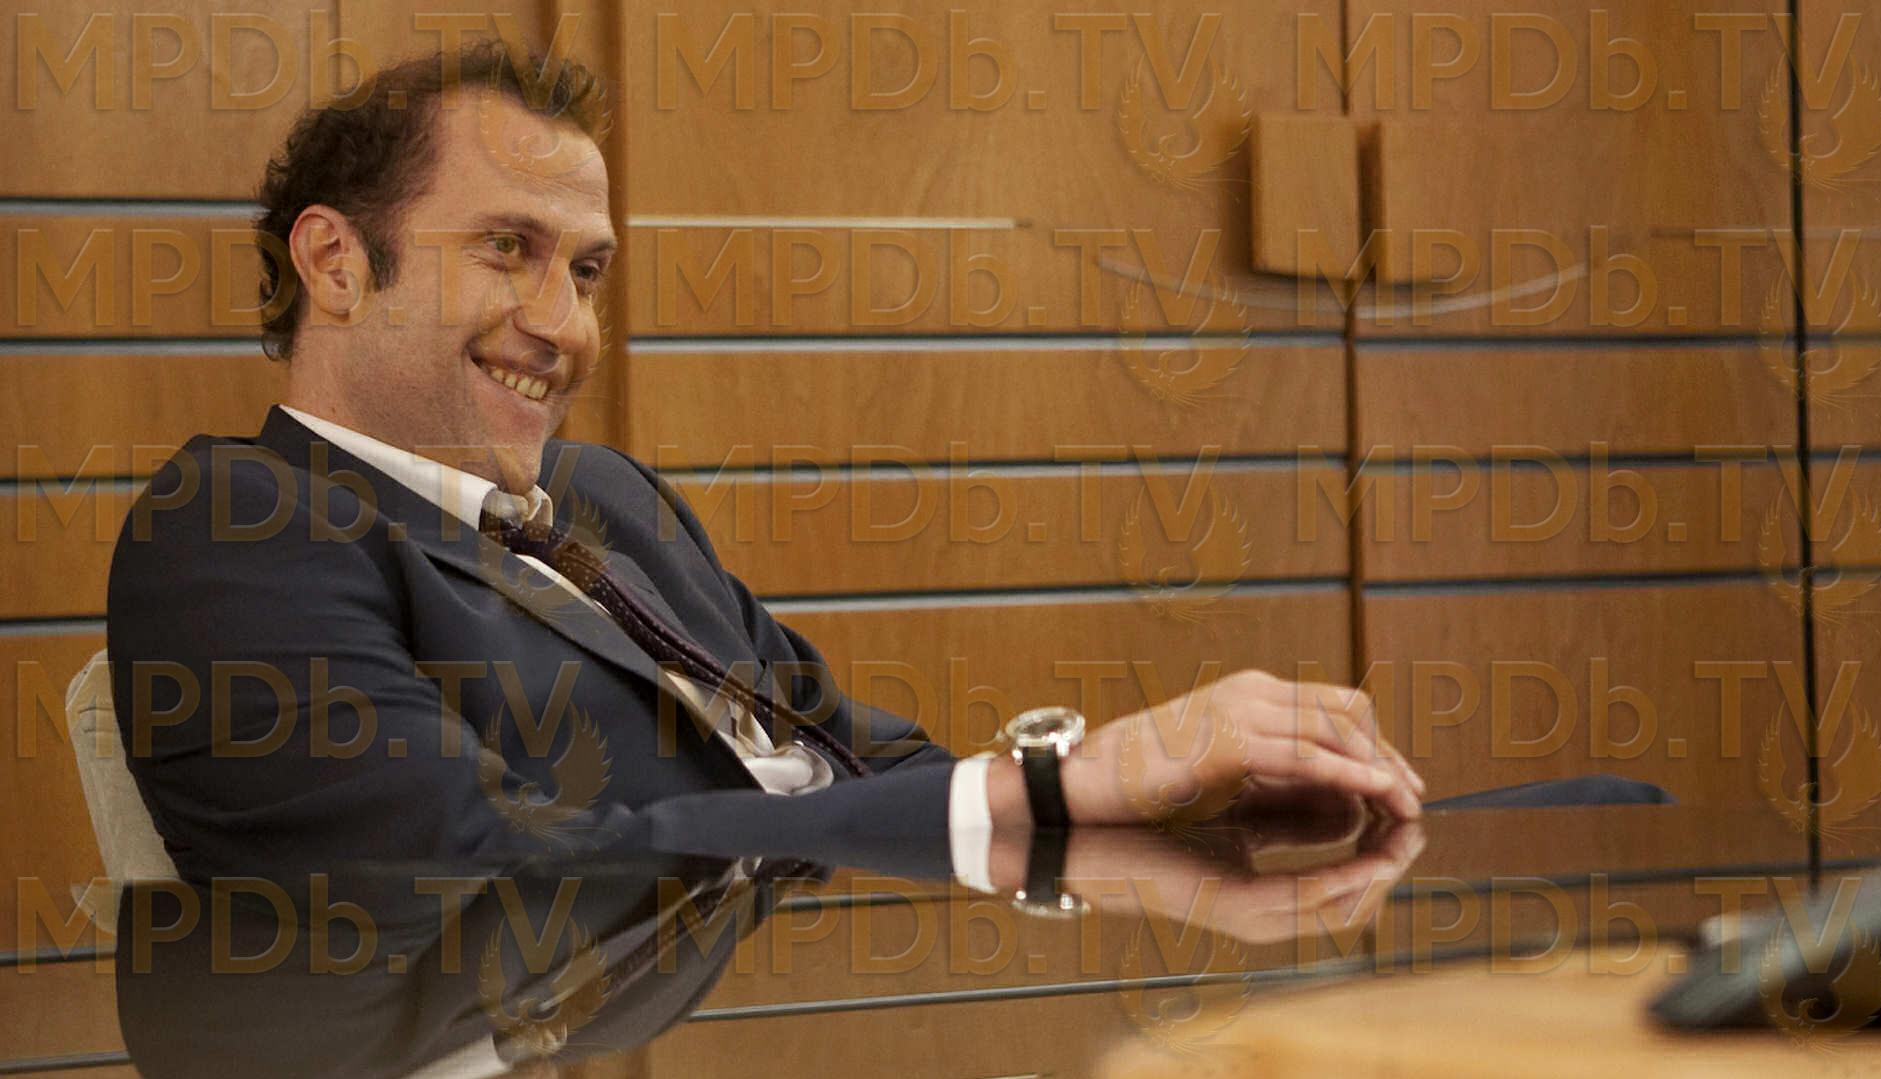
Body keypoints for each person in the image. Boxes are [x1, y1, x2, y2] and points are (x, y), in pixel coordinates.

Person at [105, 40, 1425, 896]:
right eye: (509, 248)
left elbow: (860, 765)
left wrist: (1154, 793)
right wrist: (1047, 787)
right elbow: (470, 869)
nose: (567, 326)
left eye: (587, 271)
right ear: (337, 264)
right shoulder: (234, 528)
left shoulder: (609, 499)